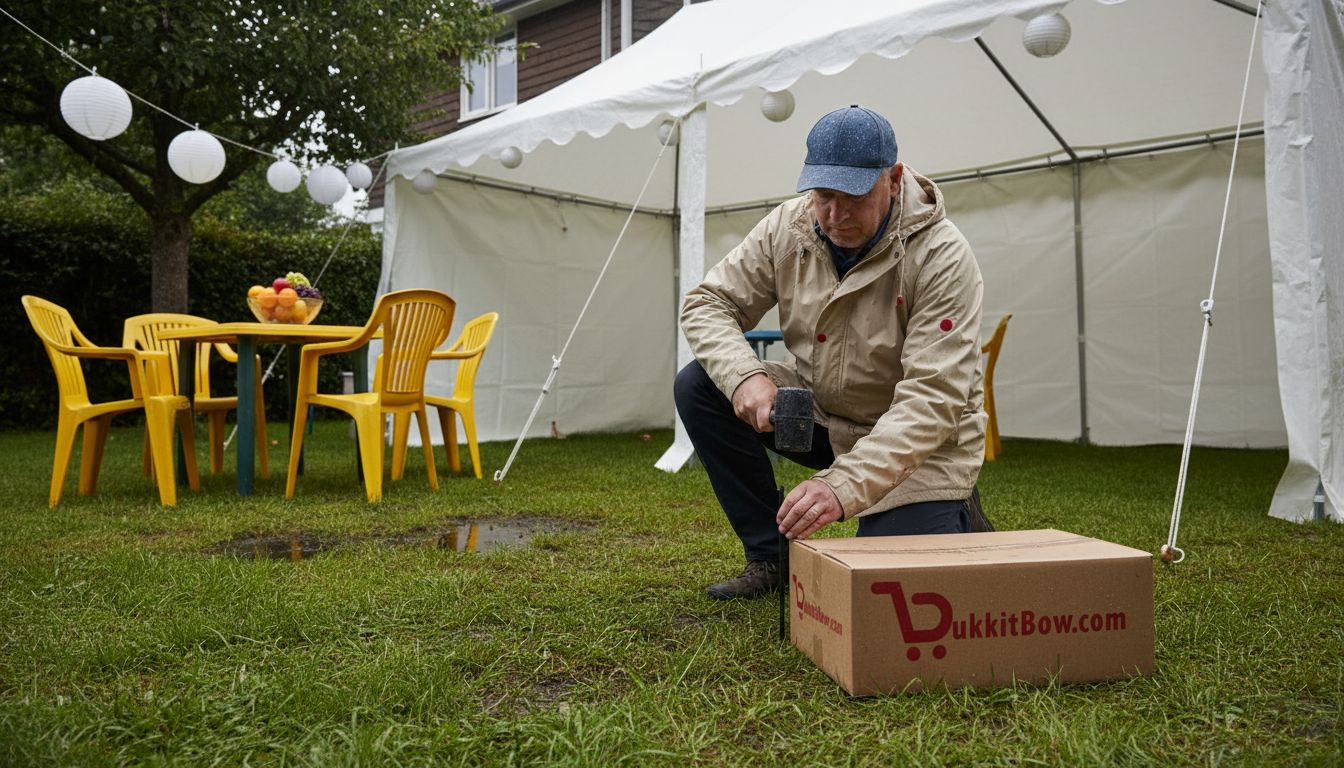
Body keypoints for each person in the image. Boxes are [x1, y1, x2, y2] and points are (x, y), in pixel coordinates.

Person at [674, 105, 990, 600]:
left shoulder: (942, 256)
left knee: (883, 592)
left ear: (894, 180)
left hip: (919, 444)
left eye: (854, 198)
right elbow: (708, 302)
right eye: (823, 196)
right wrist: (744, 377)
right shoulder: (788, 226)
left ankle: (953, 509)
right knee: (699, 384)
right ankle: (773, 556)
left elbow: (932, 400)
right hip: (821, 414)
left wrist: (839, 487)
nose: (835, 216)